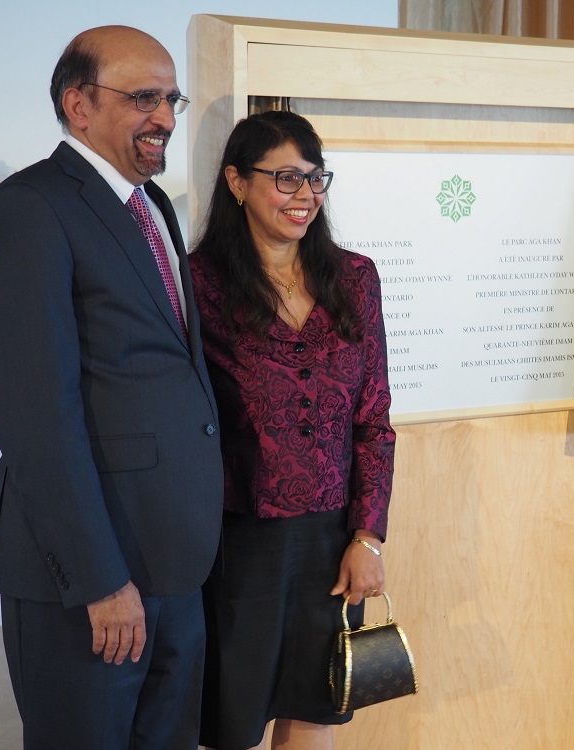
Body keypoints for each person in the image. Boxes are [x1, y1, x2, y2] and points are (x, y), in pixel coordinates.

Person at [0, 26, 223, 750]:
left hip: (174, 566)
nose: (165, 117)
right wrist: (99, 580)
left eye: (171, 99)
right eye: (143, 98)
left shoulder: (154, 206)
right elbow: (34, 418)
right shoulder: (28, 208)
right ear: (77, 105)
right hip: (90, 578)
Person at [190, 110, 396, 750]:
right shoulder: (198, 286)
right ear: (236, 182)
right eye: (286, 178)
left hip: (333, 541)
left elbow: (374, 419)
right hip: (239, 538)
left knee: (317, 705)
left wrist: (368, 536)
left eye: (315, 178)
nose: (305, 195)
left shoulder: (355, 278)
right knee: (235, 717)